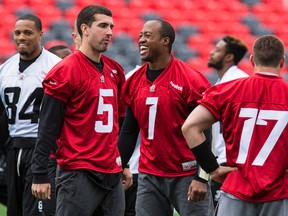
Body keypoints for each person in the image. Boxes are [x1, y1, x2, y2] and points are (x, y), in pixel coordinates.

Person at [31, 5, 131, 216]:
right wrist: (39, 173)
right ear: (84, 29)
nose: (110, 32)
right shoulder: (65, 70)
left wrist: (124, 162)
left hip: (112, 172)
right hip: (78, 171)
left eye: (111, 26)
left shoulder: (115, 70)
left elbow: (120, 123)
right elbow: (47, 126)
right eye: (103, 26)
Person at [182, 35, 288, 216]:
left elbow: (190, 127)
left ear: (253, 59)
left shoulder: (227, 90)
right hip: (279, 193)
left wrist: (212, 169)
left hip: (236, 189)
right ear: (282, 61)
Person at [118, 19, 214, 216]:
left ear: (165, 41)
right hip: (149, 174)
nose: (141, 40)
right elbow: (129, 130)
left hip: (186, 174)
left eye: (148, 36)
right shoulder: (134, 81)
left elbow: (205, 131)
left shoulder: (191, 80)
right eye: (140, 36)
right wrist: (120, 165)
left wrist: (202, 177)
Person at [0, 14, 61, 216]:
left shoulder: (55, 66)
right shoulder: (4, 69)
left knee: (38, 211)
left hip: (42, 147)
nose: (21, 37)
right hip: (14, 148)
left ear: (40, 34)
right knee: (15, 210)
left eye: (28, 32)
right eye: (17, 32)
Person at [207, 35, 248, 207]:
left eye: (217, 50)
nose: (211, 52)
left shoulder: (238, 82)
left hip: (230, 160)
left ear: (229, 57)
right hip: (222, 157)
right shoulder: (223, 80)